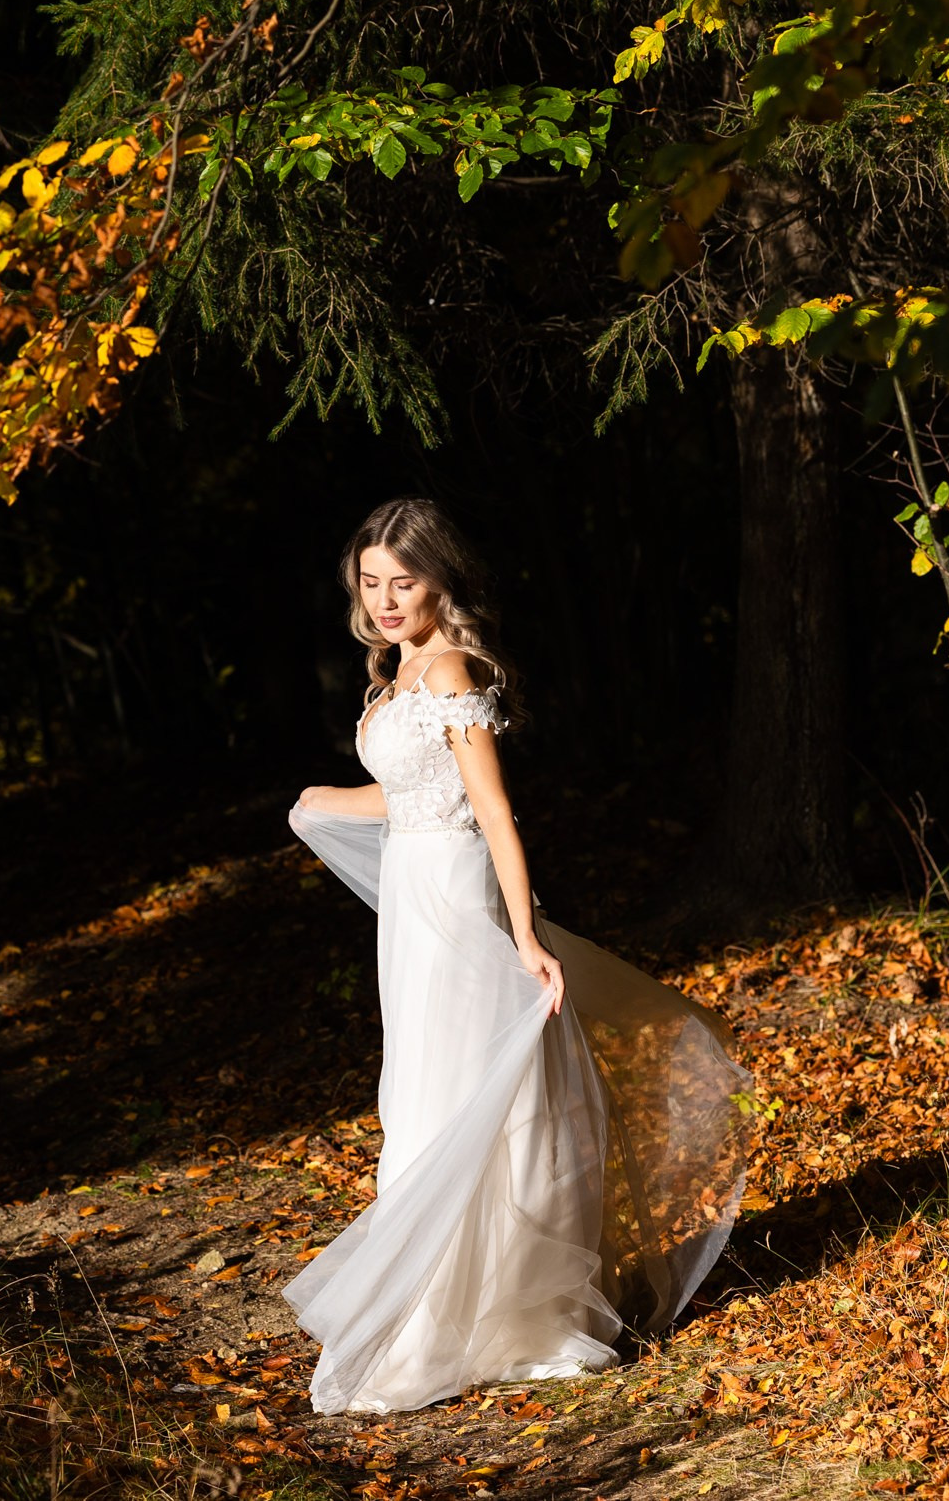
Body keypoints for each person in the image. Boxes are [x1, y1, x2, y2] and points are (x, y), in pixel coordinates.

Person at [284, 497, 749, 1415]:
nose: (385, 599)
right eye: (371, 583)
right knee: (422, 1090)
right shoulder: (396, 672)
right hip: (410, 913)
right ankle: (446, 1301)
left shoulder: (451, 668)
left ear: (439, 579)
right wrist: (324, 797)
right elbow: (413, 801)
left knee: (469, 1092)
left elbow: (491, 811)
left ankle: (485, 1313)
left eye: (403, 582)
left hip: (459, 901)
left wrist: (525, 933)